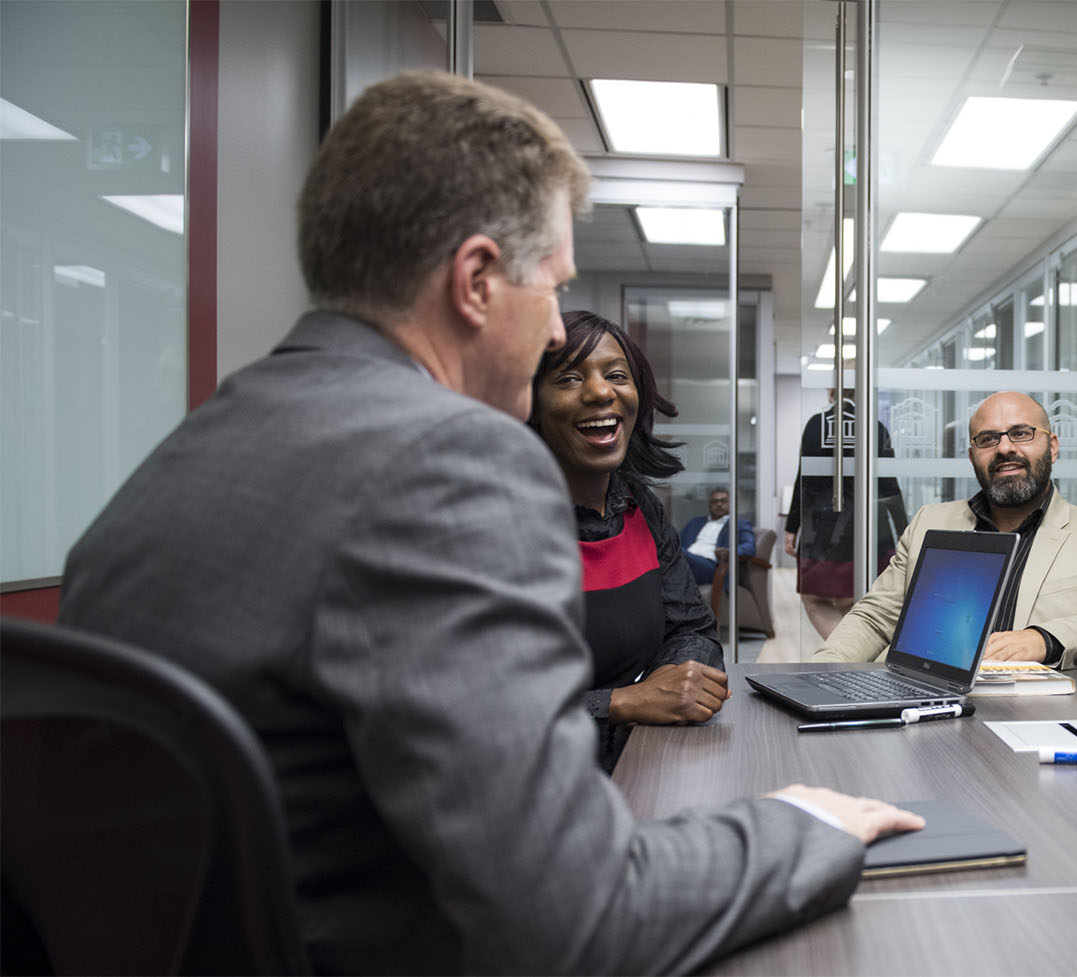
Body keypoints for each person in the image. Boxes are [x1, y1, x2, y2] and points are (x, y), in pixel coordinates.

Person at [56, 71, 920, 974]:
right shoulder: (451, 460)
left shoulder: (196, 446)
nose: (556, 332)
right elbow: (579, 916)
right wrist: (806, 827)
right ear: (474, 280)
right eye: (551, 287)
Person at [529, 309, 732, 772]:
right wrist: (623, 702)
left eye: (616, 375)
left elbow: (693, 630)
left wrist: (671, 685)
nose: (601, 391)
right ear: (531, 404)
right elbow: (484, 708)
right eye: (568, 378)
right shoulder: (501, 524)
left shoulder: (638, 504)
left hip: (640, 766)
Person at [812, 391, 1077, 669]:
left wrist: (1040, 639)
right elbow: (874, 618)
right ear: (973, 456)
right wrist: (816, 676)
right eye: (988, 439)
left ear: (1053, 446)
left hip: (1030, 715)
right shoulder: (930, 522)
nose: (1004, 448)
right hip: (923, 699)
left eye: (1021, 433)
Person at [784, 391, 910, 638]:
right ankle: (853, 656)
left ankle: (845, 655)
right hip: (871, 528)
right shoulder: (875, 427)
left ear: (831, 393)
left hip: (822, 531)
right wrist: (904, 532)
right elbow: (889, 485)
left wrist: (792, 527)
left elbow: (805, 480)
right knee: (854, 601)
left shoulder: (816, 425)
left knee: (814, 601)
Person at [680, 487, 754, 586]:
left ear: (731, 504)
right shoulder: (695, 522)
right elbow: (676, 543)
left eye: (723, 501)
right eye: (715, 501)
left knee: (676, 555)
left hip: (711, 567)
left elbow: (750, 546)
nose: (719, 504)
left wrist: (730, 552)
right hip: (687, 563)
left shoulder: (738, 524)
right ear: (709, 505)